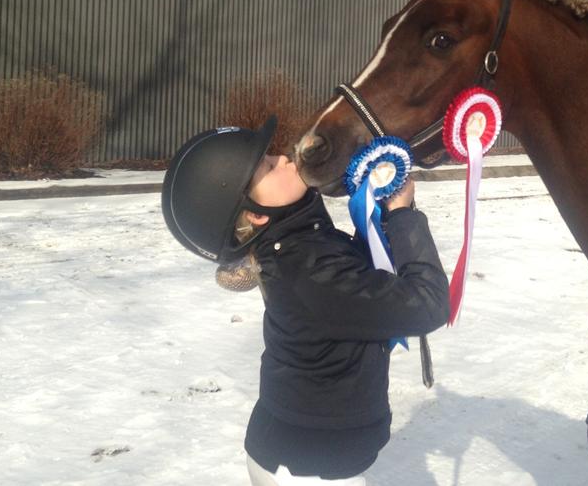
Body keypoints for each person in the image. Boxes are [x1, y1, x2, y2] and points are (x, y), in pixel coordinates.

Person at [162, 115, 449, 485]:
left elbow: (364, 285)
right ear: (254, 214)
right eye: (266, 166)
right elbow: (428, 302)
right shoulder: (311, 273)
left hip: (303, 445)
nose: (282, 158)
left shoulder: (299, 244)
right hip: (309, 467)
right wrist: (403, 215)